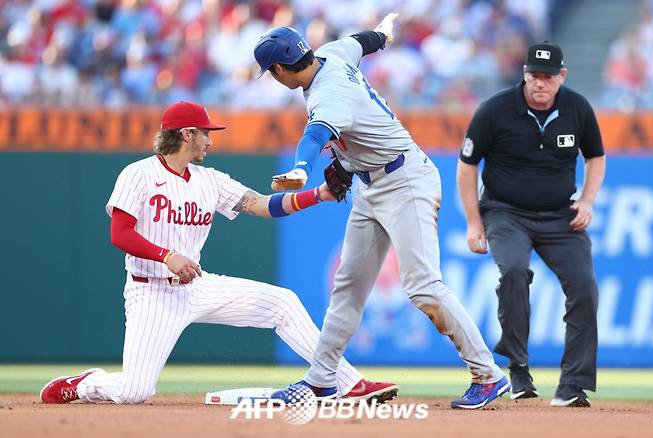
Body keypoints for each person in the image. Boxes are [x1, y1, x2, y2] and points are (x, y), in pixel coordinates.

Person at [39, 101, 398, 405]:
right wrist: (167, 255)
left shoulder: (209, 179)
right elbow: (120, 233)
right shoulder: (138, 174)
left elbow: (261, 205)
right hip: (150, 291)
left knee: (282, 303)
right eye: (205, 132)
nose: (210, 140)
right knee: (135, 391)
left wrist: (318, 194)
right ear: (186, 134)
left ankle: (348, 383)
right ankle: (85, 383)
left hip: (196, 286)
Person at [253, 15, 509, 409]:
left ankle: (488, 375)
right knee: (348, 287)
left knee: (423, 285)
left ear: (280, 69)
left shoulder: (328, 94)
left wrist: (302, 168)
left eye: (271, 73)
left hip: (405, 181)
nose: (273, 78)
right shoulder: (332, 53)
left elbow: (315, 135)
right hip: (370, 185)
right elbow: (365, 40)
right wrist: (386, 31)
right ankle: (322, 380)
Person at [456, 42, 605, 407]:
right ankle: (518, 368)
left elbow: (596, 157)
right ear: (524, 74)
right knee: (515, 272)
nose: (540, 83)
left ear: (561, 77)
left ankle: (573, 385)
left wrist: (587, 201)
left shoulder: (578, 109)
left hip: (559, 214)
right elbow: (467, 166)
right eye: (534, 76)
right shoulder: (496, 110)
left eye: (548, 76)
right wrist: (474, 223)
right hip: (506, 212)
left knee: (585, 287)